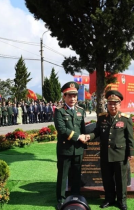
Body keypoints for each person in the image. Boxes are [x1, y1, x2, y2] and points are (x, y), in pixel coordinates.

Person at [89, 90, 134, 210]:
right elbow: (96, 132)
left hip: (120, 154)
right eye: (110, 103)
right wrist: (88, 137)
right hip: (105, 154)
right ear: (107, 104)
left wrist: (131, 153)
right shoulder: (102, 118)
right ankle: (109, 199)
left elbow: (130, 137)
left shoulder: (125, 119)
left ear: (119, 105)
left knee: (121, 180)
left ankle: (122, 201)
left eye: (115, 103)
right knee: (107, 179)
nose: (112, 106)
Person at [54, 81, 87, 210]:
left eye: (74, 96)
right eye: (69, 96)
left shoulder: (81, 110)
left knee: (76, 174)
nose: (72, 98)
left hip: (78, 149)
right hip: (65, 149)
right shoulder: (59, 111)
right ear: (64, 97)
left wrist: (84, 138)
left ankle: (76, 197)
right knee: (63, 175)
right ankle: (61, 200)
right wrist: (79, 137)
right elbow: (62, 130)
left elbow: (83, 128)